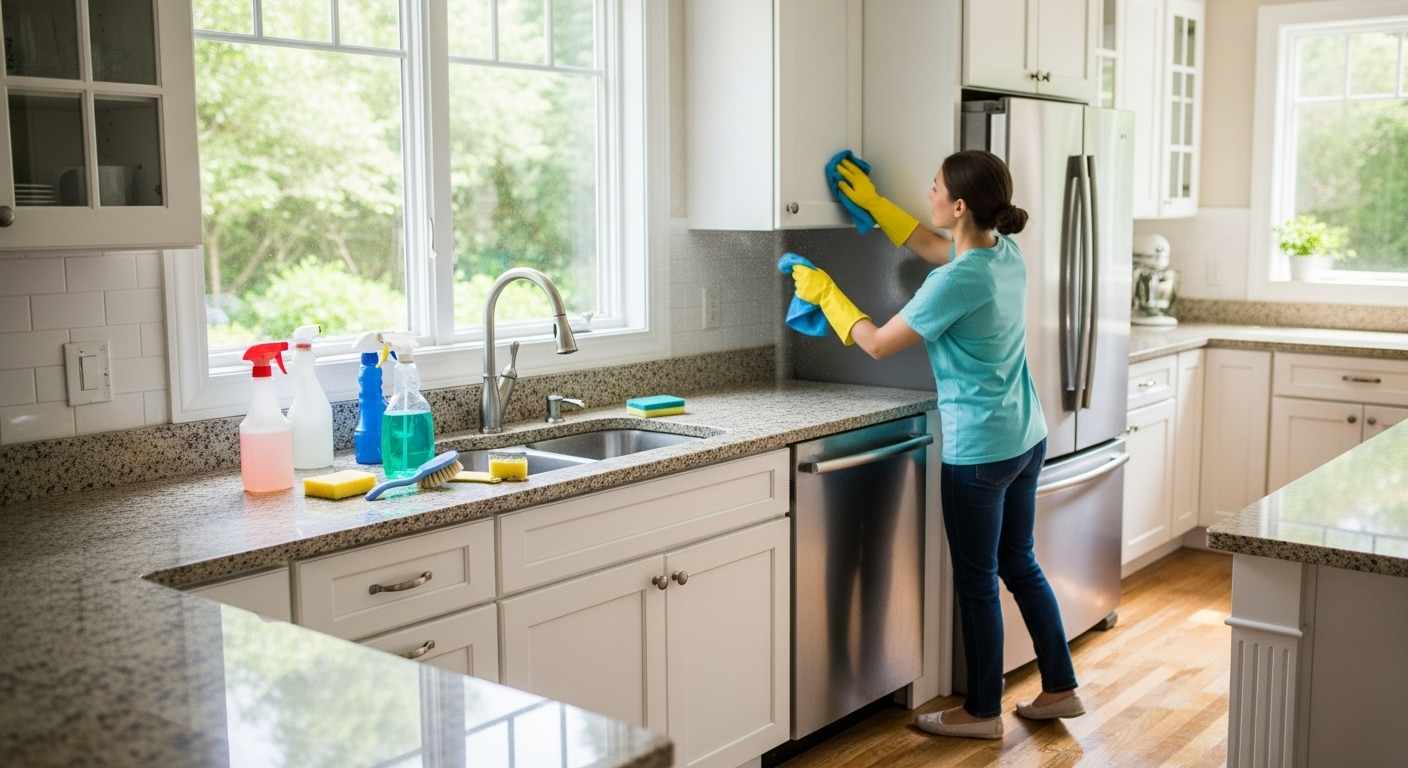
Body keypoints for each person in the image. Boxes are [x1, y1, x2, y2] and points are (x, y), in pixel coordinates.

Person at [790, 151, 1085, 740]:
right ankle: (1060, 687)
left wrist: (827, 294)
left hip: (979, 453)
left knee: (977, 581)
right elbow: (930, 243)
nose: (927, 190)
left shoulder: (953, 281)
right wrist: (875, 206)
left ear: (959, 205)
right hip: (1025, 436)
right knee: (1018, 563)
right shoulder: (1003, 254)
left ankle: (981, 712)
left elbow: (875, 343)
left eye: (936, 186)